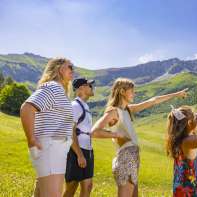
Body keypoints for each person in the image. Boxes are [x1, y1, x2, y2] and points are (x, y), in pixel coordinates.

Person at [91, 78, 188, 197]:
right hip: (125, 157)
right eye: (132, 91)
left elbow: (153, 100)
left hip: (133, 157)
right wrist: (117, 135)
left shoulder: (127, 109)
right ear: (122, 91)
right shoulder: (114, 112)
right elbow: (95, 131)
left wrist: (176, 94)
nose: (134, 93)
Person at [20, 58, 74, 197]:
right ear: (60, 69)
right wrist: (31, 139)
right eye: (70, 67)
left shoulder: (58, 90)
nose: (73, 71)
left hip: (55, 149)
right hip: (51, 148)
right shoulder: (53, 87)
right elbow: (27, 108)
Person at [63, 77, 124, 197]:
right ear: (81, 88)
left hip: (88, 151)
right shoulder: (75, 106)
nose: (92, 87)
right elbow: (70, 130)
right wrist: (79, 154)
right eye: (89, 85)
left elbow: (87, 130)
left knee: (88, 186)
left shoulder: (85, 106)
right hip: (77, 151)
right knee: (71, 186)